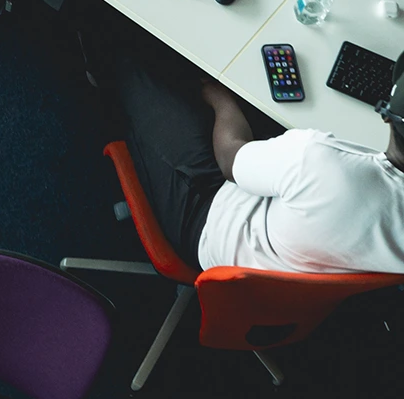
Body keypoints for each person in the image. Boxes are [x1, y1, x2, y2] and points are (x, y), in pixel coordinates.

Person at [115, 43, 404, 276]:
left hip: (211, 223)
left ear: (386, 111)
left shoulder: (322, 160)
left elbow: (230, 159)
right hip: (292, 263)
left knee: (135, 65)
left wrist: (220, 97)